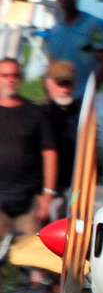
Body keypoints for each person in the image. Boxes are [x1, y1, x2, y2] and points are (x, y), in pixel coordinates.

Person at [0, 57, 57, 242]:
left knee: (33, 261)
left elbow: (49, 153)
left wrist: (48, 194)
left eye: (15, 75)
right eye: (5, 75)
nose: (10, 79)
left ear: (21, 79)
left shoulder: (35, 113)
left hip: (30, 199)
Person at [40, 0, 103, 86]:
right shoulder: (54, 32)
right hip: (61, 95)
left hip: (83, 96)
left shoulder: (93, 26)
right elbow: (51, 64)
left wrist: (92, 91)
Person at [41, 61, 80, 213]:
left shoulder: (82, 112)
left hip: (75, 185)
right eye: (60, 84)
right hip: (48, 189)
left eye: (68, 84)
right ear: (48, 84)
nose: (64, 89)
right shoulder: (40, 112)